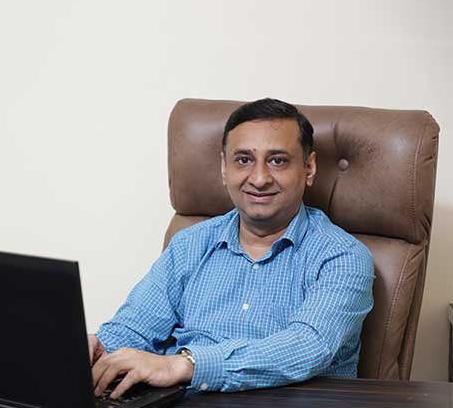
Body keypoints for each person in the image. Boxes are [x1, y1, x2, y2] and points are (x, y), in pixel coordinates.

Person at [89, 98, 375, 399]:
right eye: (243, 160)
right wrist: (99, 348)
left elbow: (307, 345)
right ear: (224, 168)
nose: (260, 178)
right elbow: (135, 329)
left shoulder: (342, 256)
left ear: (309, 168)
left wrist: (185, 365)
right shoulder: (190, 244)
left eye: (278, 160)